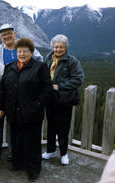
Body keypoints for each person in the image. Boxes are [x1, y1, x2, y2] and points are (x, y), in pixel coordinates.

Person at [0, 38, 52, 182]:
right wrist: (0, 106)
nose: (21, 54)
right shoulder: (10, 67)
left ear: (31, 52)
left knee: (32, 142)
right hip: (13, 112)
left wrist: (37, 105)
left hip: (32, 113)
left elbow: (47, 90)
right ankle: (18, 163)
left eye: (25, 51)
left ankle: (33, 169)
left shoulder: (40, 67)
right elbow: (2, 88)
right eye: (19, 51)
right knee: (16, 140)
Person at [0, 24, 43, 160]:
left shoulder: (23, 46)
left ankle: (25, 155)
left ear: (14, 34)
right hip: (8, 92)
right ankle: (13, 153)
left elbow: (39, 60)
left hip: (25, 93)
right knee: (12, 125)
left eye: (9, 33)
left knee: (25, 126)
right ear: (0, 37)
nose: (7, 37)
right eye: (4, 35)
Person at [42, 34, 84, 165]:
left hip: (65, 100)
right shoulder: (48, 59)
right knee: (51, 126)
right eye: (56, 47)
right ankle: (50, 151)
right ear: (52, 47)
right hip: (50, 99)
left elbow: (78, 79)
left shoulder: (72, 61)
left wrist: (59, 86)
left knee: (63, 128)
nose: (58, 49)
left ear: (66, 47)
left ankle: (64, 154)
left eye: (61, 47)